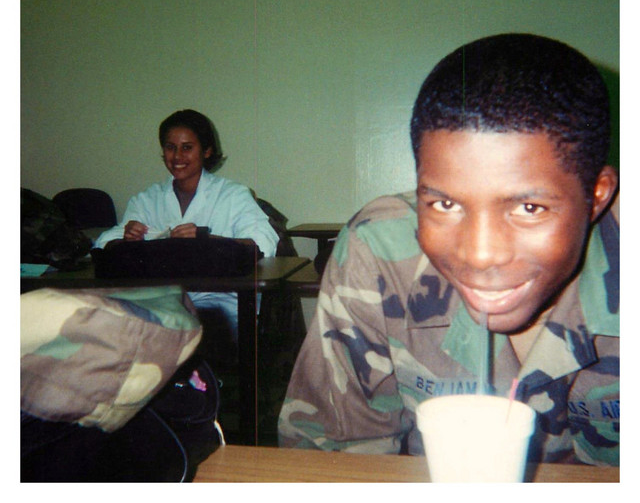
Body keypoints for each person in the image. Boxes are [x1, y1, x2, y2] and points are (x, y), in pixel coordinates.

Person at [278, 33, 619, 466]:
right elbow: (331, 460)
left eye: (529, 208)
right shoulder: (382, 252)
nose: (479, 255)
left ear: (596, 196)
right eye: (445, 204)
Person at [94, 109, 279, 340]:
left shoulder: (233, 195)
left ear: (207, 151)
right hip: (161, 301)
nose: (177, 156)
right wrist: (125, 237)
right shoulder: (148, 199)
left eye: (187, 147)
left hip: (217, 303)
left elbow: (264, 244)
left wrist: (205, 239)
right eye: (170, 147)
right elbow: (103, 242)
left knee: (173, 331)